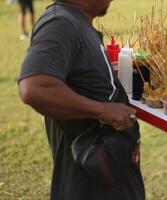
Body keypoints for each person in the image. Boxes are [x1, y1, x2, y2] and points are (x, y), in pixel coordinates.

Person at [18, 0, 145, 200]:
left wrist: (111, 76)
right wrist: (102, 110)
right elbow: (34, 87)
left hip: (104, 173)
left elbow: (80, 77)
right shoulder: (60, 23)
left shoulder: (74, 20)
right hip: (88, 181)